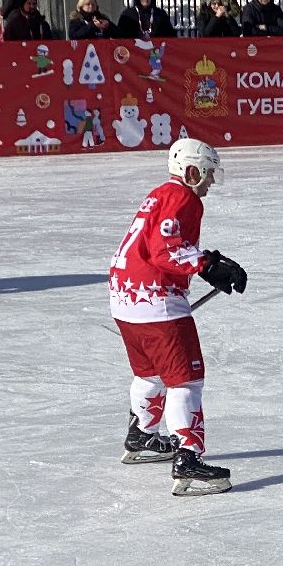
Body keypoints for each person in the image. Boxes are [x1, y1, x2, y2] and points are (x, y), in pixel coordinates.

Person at [109, 138, 249, 496]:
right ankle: (188, 460)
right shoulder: (183, 197)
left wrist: (204, 264)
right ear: (191, 171)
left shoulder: (159, 193)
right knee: (186, 380)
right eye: (207, 174)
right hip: (156, 301)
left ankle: (142, 436)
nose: (210, 183)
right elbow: (164, 248)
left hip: (125, 298)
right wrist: (208, 264)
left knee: (150, 372)